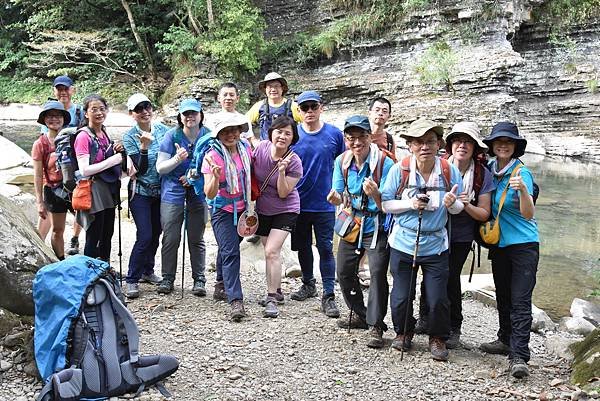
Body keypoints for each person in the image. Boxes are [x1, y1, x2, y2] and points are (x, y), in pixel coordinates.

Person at [381, 118, 464, 361]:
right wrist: (410, 203)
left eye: (430, 141)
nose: (425, 146)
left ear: (439, 144)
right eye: (419, 142)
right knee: (401, 295)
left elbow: (458, 207)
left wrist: (453, 204)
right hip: (403, 242)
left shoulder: (449, 170)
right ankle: (403, 333)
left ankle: (437, 337)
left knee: (438, 297)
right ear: (410, 146)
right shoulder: (400, 169)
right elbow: (386, 204)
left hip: (436, 244)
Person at [415, 122, 495, 348]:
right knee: (429, 273)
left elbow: (483, 213)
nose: (462, 145)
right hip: (433, 228)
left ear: (475, 147)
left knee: (450, 278)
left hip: (460, 234)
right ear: (450, 145)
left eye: (468, 141)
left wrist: (464, 204)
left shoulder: (482, 175)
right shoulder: (437, 165)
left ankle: (453, 326)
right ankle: (425, 318)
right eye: (458, 140)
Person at [479, 122, 539, 379]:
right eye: (498, 141)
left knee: (521, 300)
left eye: (509, 142)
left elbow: (528, 214)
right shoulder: (489, 170)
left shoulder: (521, 173)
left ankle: (519, 356)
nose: (503, 145)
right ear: (492, 146)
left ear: (515, 147)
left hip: (524, 245)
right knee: (503, 295)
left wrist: (524, 191)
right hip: (500, 245)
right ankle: (504, 339)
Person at [328, 115, 394, 348]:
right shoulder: (342, 161)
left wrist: (375, 193)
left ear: (369, 137)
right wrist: (336, 198)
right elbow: (339, 193)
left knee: (377, 272)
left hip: (378, 223)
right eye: (351, 137)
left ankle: (376, 325)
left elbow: (389, 201)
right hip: (353, 222)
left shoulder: (385, 163)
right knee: (344, 270)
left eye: (361, 137)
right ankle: (359, 313)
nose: (356, 142)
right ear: (346, 139)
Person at [289, 90, 345, 318]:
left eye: (314, 107)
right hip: (298, 202)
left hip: (325, 204)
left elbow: (344, 163)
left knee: (325, 248)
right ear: (299, 111)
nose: (309, 111)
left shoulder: (334, 134)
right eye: (305, 108)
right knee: (303, 246)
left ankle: (329, 294)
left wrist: (343, 194)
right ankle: (308, 283)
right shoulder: (293, 135)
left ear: (321, 107)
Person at [156, 98, 210, 296]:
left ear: (200, 115)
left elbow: (214, 164)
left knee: (196, 236)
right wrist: (177, 159)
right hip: (172, 189)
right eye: (186, 113)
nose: (190, 117)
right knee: (171, 236)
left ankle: (199, 279)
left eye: (193, 113)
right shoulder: (172, 136)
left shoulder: (209, 136)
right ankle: (167, 278)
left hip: (198, 190)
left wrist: (194, 177)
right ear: (180, 116)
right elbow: (160, 168)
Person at [201, 114, 253, 322]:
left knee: (228, 248)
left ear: (240, 131)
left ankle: (221, 284)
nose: (230, 134)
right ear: (219, 135)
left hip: (244, 208)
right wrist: (214, 176)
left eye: (234, 130)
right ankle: (235, 300)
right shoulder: (212, 157)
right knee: (231, 252)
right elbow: (209, 194)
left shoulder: (246, 150)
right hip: (222, 210)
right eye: (225, 131)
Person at [252, 116, 303, 318]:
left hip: (286, 208)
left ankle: (271, 297)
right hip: (263, 208)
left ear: (292, 138)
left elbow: (284, 193)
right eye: (279, 131)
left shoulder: (295, 162)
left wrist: (282, 172)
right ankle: (278, 291)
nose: (282, 136)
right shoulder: (261, 148)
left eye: (287, 133)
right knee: (268, 252)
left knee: (272, 251)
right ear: (271, 132)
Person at [121, 93, 170, 298]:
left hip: (161, 192)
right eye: (139, 109)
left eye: (147, 107)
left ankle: (147, 271)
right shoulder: (129, 136)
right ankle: (132, 278)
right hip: (140, 192)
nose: (144, 112)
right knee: (145, 235)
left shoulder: (164, 131)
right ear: (132, 113)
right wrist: (143, 148)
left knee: (156, 233)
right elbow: (138, 170)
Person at [74, 94, 124, 261]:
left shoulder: (104, 133)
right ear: (86, 113)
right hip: (93, 191)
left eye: (102, 109)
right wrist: (112, 160)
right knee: (94, 235)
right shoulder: (83, 136)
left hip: (108, 190)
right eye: (93, 109)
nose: (98, 113)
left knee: (107, 234)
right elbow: (84, 169)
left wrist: (116, 150)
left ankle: (105, 270)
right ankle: (90, 275)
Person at [38, 75, 84, 255]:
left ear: (73, 90)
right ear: (54, 91)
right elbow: (45, 142)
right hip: (54, 175)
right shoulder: (48, 114)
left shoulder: (79, 112)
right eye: (59, 89)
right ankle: (42, 246)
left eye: (66, 88)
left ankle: (74, 238)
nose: (63, 92)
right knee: (52, 214)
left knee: (81, 208)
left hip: (76, 169)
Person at [31, 101, 72, 260]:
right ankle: (61, 260)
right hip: (53, 190)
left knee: (90, 225)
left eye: (58, 115)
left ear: (63, 118)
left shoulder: (71, 138)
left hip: (73, 188)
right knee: (58, 230)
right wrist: (40, 202)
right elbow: (38, 175)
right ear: (44, 120)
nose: (54, 119)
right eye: (50, 116)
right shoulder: (40, 144)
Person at [246, 72, 302, 141]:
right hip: (265, 149)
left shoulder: (292, 106)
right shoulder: (259, 106)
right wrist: (253, 140)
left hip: (287, 148)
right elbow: (244, 122)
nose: (273, 89)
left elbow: (307, 122)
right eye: (270, 86)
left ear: (282, 88)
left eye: (276, 86)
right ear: (265, 89)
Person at [368, 96, 397, 162]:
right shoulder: (361, 134)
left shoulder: (389, 140)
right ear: (370, 113)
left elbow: (392, 162)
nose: (380, 113)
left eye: (384, 111)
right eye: (377, 110)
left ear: (389, 116)